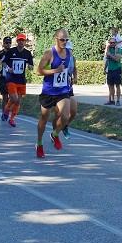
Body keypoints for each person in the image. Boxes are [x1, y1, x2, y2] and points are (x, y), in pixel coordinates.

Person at [35, 29, 72, 158]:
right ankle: (39, 143)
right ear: (56, 38)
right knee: (44, 119)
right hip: (48, 91)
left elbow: (68, 70)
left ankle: (55, 134)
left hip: (62, 91)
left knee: (66, 116)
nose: (64, 42)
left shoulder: (69, 53)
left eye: (66, 40)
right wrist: (55, 70)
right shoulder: (49, 53)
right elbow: (39, 71)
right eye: (62, 40)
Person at [2, 33, 33, 127]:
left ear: (25, 42)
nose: (21, 42)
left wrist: (30, 67)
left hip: (21, 80)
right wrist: (8, 69)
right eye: (19, 40)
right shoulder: (11, 51)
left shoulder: (27, 53)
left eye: (23, 40)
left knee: (18, 101)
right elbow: (3, 62)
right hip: (11, 79)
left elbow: (31, 65)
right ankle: (7, 110)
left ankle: (12, 118)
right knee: (14, 98)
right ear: (17, 41)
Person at [104, 36, 122, 105]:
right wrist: (104, 68)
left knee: (117, 85)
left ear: (115, 43)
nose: (112, 44)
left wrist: (110, 54)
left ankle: (118, 100)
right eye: (110, 43)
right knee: (110, 86)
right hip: (110, 70)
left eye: (113, 43)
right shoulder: (109, 50)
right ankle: (112, 100)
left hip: (117, 69)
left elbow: (117, 59)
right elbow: (107, 60)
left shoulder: (119, 49)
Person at [0, 36, 12, 120]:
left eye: (9, 43)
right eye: (6, 43)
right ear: (3, 44)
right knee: (5, 97)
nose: (8, 44)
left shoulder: (13, 52)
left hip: (11, 77)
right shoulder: (0, 54)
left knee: (12, 97)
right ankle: (4, 113)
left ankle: (7, 111)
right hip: (2, 77)